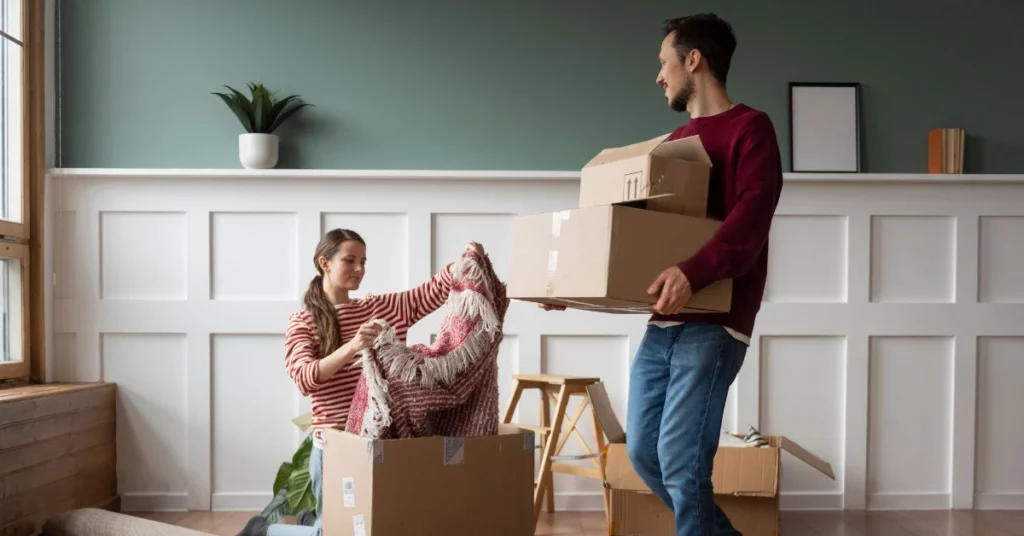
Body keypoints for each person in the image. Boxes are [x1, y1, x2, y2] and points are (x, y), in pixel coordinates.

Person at [541, 13, 783, 535]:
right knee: (647, 454)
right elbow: (639, 240)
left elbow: (750, 225)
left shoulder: (751, 129)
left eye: (663, 61)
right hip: (666, 321)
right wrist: (572, 289)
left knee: (680, 459)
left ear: (692, 59)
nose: (659, 75)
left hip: (717, 322)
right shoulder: (674, 143)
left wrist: (693, 274)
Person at [238, 228, 484, 536]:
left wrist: (465, 260)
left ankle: (305, 522)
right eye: (350, 260)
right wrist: (352, 346)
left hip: (377, 442)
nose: (360, 269)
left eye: (364, 262)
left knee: (370, 526)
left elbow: (429, 292)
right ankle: (263, 532)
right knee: (337, 532)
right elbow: (304, 377)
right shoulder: (304, 321)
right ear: (324, 263)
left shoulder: (378, 308)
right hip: (335, 446)